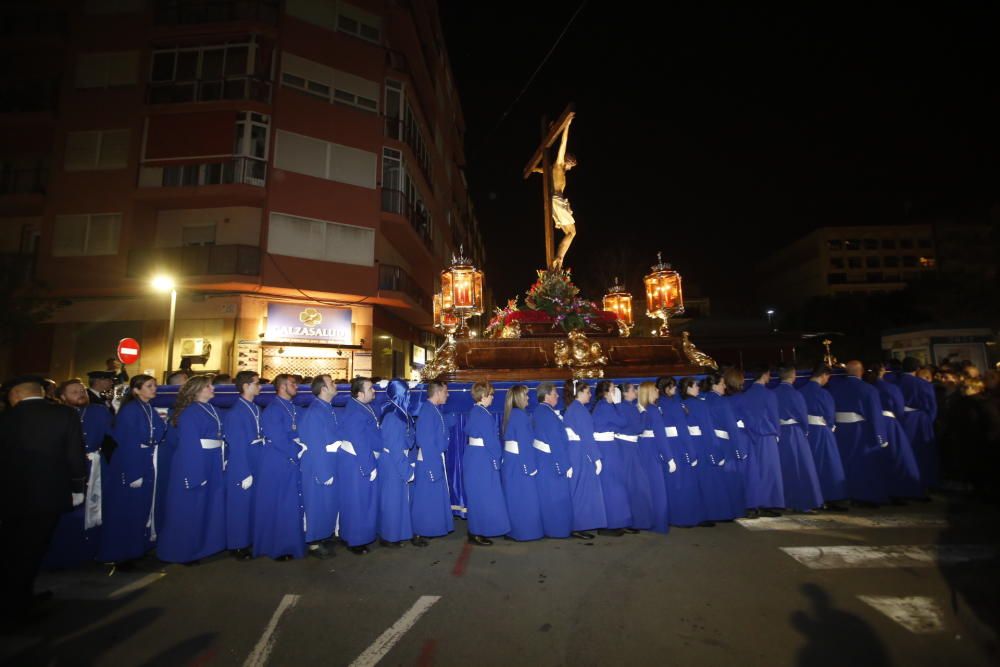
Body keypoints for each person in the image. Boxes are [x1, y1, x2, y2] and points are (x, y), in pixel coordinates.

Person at [0, 376, 87, 623]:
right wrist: (78, 484)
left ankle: (15, 597)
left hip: (10, 495)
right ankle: (18, 603)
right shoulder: (64, 415)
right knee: (32, 549)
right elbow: (74, 454)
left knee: (10, 548)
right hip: (49, 494)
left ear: (15, 394)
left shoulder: (6, 418)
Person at [157, 376, 226, 564]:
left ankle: (205, 546)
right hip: (196, 462)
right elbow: (189, 445)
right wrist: (195, 474)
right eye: (208, 386)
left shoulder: (213, 409)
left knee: (208, 506)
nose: (212, 388)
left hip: (212, 460)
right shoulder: (189, 413)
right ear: (196, 390)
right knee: (190, 509)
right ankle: (184, 550)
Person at [43, 379, 111, 568]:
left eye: (82, 390)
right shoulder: (56, 415)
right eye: (74, 392)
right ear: (62, 397)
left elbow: (115, 434)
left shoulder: (99, 411)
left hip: (96, 466)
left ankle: (92, 552)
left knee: (96, 508)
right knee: (70, 512)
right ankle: (64, 555)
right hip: (67, 468)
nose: (81, 393)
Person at [99, 375, 164, 569]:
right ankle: (121, 554)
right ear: (136, 390)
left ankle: (136, 549)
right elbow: (126, 442)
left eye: (154, 386)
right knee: (125, 511)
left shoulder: (148, 408)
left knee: (140, 509)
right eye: (149, 386)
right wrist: (133, 473)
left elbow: (159, 432)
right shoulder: (130, 411)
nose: (154, 389)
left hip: (145, 460)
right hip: (131, 464)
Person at [254, 374, 306, 560]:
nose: (296, 387)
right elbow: (278, 438)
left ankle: (291, 544)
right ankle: (277, 547)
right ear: (283, 386)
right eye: (293, 384)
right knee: (279, 505)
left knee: (290, 504)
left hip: (292, 459)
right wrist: (297, 450)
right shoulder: (273, 410)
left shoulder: (293, 408)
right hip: (278, 461)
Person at [828, 360, 890, 506]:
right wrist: (880, 436)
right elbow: (875, 415)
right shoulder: (868, 389)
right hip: (859, 431)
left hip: (840, 430)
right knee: (863, 465)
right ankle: (864, 496)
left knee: (844, 463)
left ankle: (844, 494)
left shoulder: (834, 387)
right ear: (860, 372)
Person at [220, 370, 263, 560]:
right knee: (239, 506)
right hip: (242, 462)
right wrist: (243, 471)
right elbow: (237, 445)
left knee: (252, 504)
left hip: (255, 459)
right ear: (246, 386)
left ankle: (250, 539)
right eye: (256, 383)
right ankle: (237, 545)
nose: (259, 386)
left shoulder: (255, 408)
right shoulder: (236, 412)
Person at [678, 377, 734, 522]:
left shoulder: (681, 403)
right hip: (703, 444)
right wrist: (716, 450)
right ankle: (715, 513)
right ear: (689, 387)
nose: (698, 388)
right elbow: (708, 428)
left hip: (690, 443)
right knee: (711, 481)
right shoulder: (699, 404)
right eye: (696, 385)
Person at [296, 374, 340, 559]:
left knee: (326, 503)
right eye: (332, 383)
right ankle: (314, 542)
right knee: (316, 504)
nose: (335, 385)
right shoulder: (315, 412)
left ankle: (323, 535)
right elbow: (315, 445)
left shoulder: (326, 409)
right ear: (323, 389)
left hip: (329, 462)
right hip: (318, 465)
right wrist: (323, 472)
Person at [865, 362, 923, 500]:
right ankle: (899, 491)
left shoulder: (868, 387)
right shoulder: (890, 387)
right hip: (889, 423)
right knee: (898, 456)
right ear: (883, 371)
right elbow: (899, 407)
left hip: (871, 423)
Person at [463, 381, 511, 545]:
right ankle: (476, 531)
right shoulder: (482, 414)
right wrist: (498, 457)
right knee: (481, 494)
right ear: (483, 396)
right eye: (491, 395)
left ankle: (477, 529)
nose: (492, 398)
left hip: (476, 456)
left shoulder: (477, 411)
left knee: (479, 493)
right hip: (481, 458)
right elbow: (491, 441)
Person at [771, 364, 824, 513]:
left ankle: (784, 501)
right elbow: (802, 415)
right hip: (794, 433)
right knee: (801, 468)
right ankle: (803, 502)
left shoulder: (773, 393)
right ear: (793, 376)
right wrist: (805, 430)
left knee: (783, 468)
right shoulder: (796, 394)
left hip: (779, 432)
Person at [339, 376, 381, 554]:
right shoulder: (355, 411)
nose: (374, 391)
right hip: (357, 461)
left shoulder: (364, 406)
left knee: (363, 501)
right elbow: (359, 441)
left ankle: (356, 535)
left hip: (362, 459)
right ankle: (355, 540)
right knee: (358, 502)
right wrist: (368, 466)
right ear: (359, 393)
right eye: (371, 388)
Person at [797, 365, 849, 510]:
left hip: (806, 432)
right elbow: (830, 415)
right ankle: (830, 496)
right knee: (828, 464)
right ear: (824, 375)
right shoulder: (823, 394)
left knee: (810, 464)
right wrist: (831, 426)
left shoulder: (800, 391)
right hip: (821, 431)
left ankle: (814, 496)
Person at [655, 377, 704, 527]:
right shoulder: (674, 404)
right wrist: (692, 452)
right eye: (673, 386)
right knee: (684, 483)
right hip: (678, 446)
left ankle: (671, 517)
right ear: (667, 388)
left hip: (665, 446)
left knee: (670, 482)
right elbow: (683, 429)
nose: (675, 389)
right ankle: (685, 517)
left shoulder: (657, 404)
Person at [562, 381, 609, 536]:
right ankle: (578, 526)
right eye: (588, 392)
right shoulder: (579, 411)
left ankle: (578, 525)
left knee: (577, 489)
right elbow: (587, 437)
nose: (590, 395)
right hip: (580, 453)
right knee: (581, 490)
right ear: (580, 392)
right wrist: (596, 458)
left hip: (574, 451)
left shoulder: (573, 409)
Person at [377, 379, 420, 548]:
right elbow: (395, 448)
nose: (410, 397)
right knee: (392, 501)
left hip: (397, 460)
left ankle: (396, 534)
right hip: (393, 463)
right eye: (407, 393)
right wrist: (406, 470)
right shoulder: (393, 417)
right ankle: (389, 537)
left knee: (398, 501)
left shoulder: (398, 413)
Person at [531, 381, 577, 538]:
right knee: (557, 496)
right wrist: (564, 465)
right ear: (547, 395)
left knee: (548, 496)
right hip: (551, 461)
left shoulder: (540, 411)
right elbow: (556, 441)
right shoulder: (547, 414)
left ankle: (552, 528)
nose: (557, 396)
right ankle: (558, 530)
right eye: (555, 393)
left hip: (544, 459)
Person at [739, 367, 785, 517]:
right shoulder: (769, 394)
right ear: (765, 374)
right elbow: (773, 415)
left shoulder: (746, 394)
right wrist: (777, 433)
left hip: (750, 435)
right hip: (766, 435)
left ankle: (754, 503)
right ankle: (768, 503)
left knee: (755, 471)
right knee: (769, 471)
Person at [411, 380, 454, 543]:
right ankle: (418, 532)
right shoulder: (428, 412)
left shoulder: (433, 410)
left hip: (434, 458)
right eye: (445, 391)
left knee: (431, 497)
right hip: (429, 460)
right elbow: (425, 441)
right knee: (425, 498)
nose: (448, 394)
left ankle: (428, 528)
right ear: (437, 392)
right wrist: (431, 468)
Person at [500, 385, 545, 541]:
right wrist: (529, 467)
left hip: (512, 462)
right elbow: (524, 444)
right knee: (524, 498)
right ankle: (524, 532)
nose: (528, 398)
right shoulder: (520, 416)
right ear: (519, 398)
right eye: (526, 395)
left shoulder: (512, 414)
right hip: (520, 463)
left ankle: (514, 530)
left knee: (515, 497)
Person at [702, 372, 749, 519]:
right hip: (724, 443)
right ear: (715, 385)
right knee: (730, 479)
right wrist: (740, 450)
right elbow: (731, 426)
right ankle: (730, 511)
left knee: (712, 480)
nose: (724, 386)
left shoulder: (703, 399)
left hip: (707, 442)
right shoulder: (722, 402)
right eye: (722, 383)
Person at [590, 381, 631, 533]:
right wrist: (618, 404)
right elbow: (622, 422)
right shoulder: (606, 406)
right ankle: (610, 524)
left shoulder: (603, 406)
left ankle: (615, 521)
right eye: (614, 389)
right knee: (611, 485)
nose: (617, 392)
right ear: (607, 392)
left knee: (613, 484)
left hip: (609, 446)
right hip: (606, 448)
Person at [897, 357, 939, 491]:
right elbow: (931, 406)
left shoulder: (895, 382)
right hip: (919, 420)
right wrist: (928, 420)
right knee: (921, 452)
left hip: (900, 419)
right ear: (917, 369)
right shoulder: (923, 384)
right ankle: (923, 482)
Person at [616, 382, 654, 532]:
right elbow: (638, 428)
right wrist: (644, 413)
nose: (636, 391)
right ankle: (635, 520)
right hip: (629, 448)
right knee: (636, 483)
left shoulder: (627, 407)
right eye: (633, 389)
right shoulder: (628, 407)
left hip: (627, 447)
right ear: (625, 393)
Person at [636, 381, 671, 533]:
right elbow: (661, 436)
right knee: (657, 488)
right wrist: (669, 457)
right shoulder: (653, 410)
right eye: (655, 389)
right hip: (652, 450)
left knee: (647, 488)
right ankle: (658, 523)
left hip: (642, 448)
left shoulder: (640, 409)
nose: (658, 390)